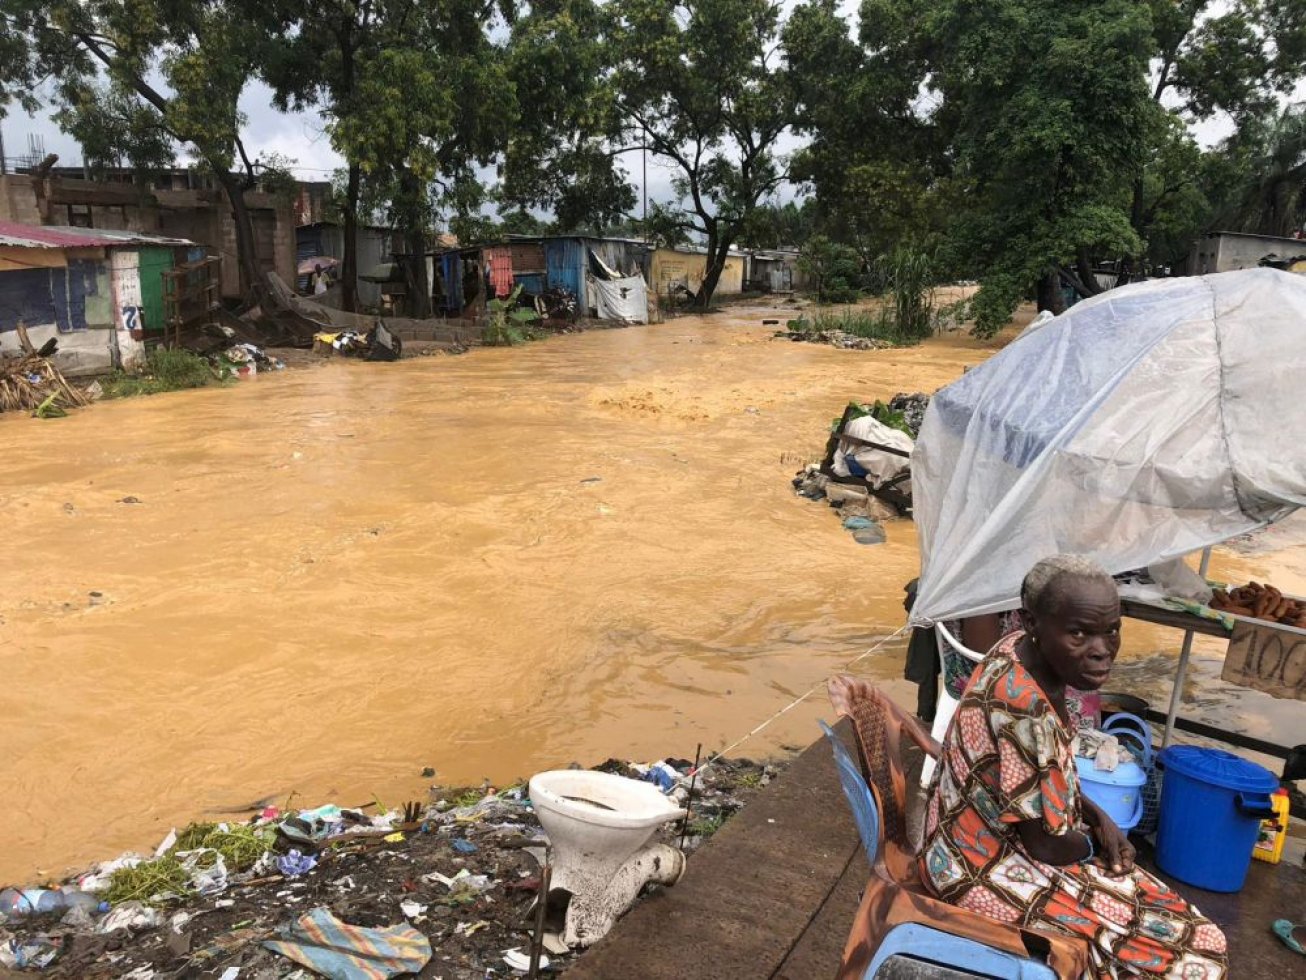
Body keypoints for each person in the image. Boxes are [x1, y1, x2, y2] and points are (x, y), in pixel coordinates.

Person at [920, 555, 1227, 979]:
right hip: (978, 869)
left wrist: (1100, 818)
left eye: (1112, 630)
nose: (1102, 651)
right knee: (1196, 955)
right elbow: (1046, 846)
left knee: (1178, 920)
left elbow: (1035, 782)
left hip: (965, 840)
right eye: (1079, 633)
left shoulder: (1016, 652)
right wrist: (1095, 845)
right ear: (1031, 622)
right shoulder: (1024, 710)